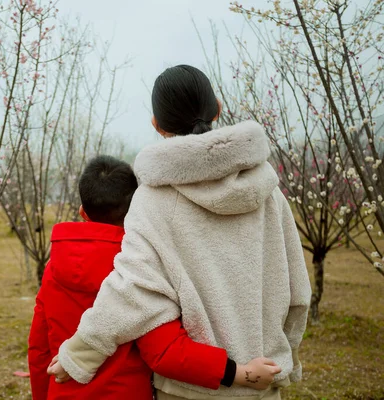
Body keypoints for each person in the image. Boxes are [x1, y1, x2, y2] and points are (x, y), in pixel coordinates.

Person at [48, 65, 312, 400]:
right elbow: (297, 293)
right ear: (216, 107)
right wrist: (283, 360)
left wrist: (79, 353)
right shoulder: (269, 194)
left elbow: (133, 289)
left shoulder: (153, 199)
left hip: (190, 391)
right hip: (262, 383)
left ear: (157, 125)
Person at [29, 155, 282, 400]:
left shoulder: (53, 268)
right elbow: (166, 352)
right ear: (136, 209)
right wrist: (240, 373)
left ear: (83, 211)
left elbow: (39, 350)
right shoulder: (141, 271)